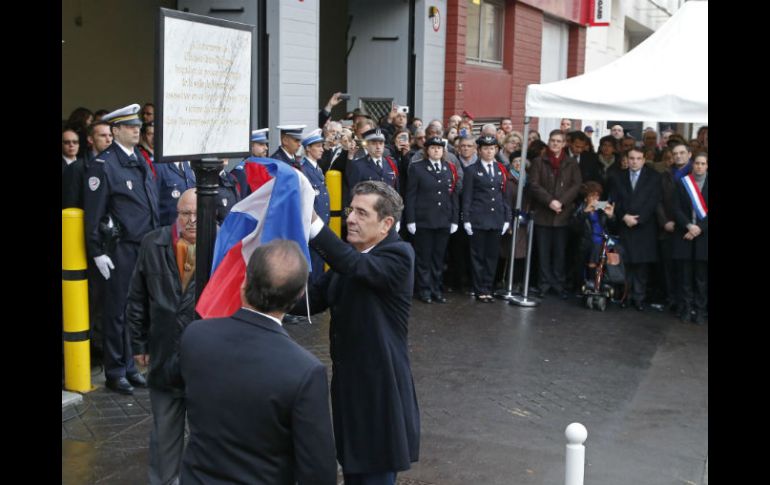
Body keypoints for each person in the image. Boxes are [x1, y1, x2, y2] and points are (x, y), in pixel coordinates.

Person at [181, 240, 337, 485]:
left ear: (244, 282)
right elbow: (318, 471)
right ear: (297, 297)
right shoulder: (305, 371)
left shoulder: (196, 336)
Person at [296, 181, 419, 485]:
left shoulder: (399, 254)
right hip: (349, 391)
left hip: (381, 392)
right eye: (351, 210)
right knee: (353, 469)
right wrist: (263, 287)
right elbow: (310, 301)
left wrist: (312, 223)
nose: (350, 218)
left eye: (362, 213)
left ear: (386, 224)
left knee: (375, 473)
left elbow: (356, 267)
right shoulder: (349, 259)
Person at [83, 103, 159, 394]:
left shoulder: (139, 159)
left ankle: (129, 365)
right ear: (115, 131)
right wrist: (98, 251)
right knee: (116, 311)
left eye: (138, 125)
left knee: (134, 310)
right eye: (130, 126)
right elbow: (94, 213)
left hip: (143, 246)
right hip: (119, 249)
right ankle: (115, 370)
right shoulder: (104, 165)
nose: (137, 130)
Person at [127, 189, 198, 485]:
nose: (192, 221)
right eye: (185, 214)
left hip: (204, 359)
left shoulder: (222, 242)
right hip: (163, 353)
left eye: (198, 214)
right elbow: (137, 298)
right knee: (164, 435)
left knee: (206, 435)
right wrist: (139, 344)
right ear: (176, 214)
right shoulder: (153, 243)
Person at [528, 129, 582, 299]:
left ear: (564, 144)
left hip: (563, 215)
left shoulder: (571, 162)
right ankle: (543, 284)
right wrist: (550, 201)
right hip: (544, 213)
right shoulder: (538, 161)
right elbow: (534, 184)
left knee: (560, 252)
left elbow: (576, 185)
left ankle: (558, 284)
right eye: (553, 140)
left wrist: (561, 202)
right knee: (543, 252)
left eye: (559, 141)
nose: (555, 144)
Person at [406, 137, 459, 304]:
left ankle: (437, 289)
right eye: (433, 147)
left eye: (439, 148)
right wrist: (411, 219)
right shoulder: (417, 168)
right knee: (424, 258)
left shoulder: (449, 168)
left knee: (439, 258)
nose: (436, 150)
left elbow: (453, 195)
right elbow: (411, 195)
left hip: (443, 219)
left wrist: (454, 219)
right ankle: (424, 290)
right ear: (426, 150)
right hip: (424, 220)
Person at [608, 147, 661, 311]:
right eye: (631, 158)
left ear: (644, 160)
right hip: (625, 224)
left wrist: (639, 220)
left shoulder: (654, 177)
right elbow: (614, 200)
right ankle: (626, 296)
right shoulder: (618, 177)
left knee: (641, 265)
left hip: (644, 226)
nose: (634, 161)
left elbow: (654, 201)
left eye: (638, 158)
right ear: (627, 159)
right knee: (627, 263)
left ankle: (639, 298)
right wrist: (624, 216)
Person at [462, 135, 512, 302]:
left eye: (492, 148)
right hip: (478, 218)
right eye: (485, 148)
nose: (489, 151)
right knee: (478, 256)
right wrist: (467, 219)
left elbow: (504, 195)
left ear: (496, 150)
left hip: (496, 217)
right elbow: (467, 196)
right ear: (479, 150)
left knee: (492, 256)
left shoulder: (501, 169)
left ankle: (487, 287)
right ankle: (479, 289)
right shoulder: (471, 170)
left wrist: (507, 218)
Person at [672, 153, 708, 324]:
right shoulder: (683, 183)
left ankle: (700, 311)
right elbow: (676, 208)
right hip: (684, 234)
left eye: (703, 163)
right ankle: (686, 308)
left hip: (704, 236)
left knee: (702, 278)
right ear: (692, 165)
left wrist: (699, 228)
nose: (699, 166)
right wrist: (689, 226)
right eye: (697, 163)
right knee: (685, 276)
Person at [299, 129, 331, 283]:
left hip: (321, 223)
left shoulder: (317, 168)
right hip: (311, 225)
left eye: (321, 146)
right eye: (318, 146)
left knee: (319, 263)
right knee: (312, 266)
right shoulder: (304, 169)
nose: (321, 149)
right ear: (308, 148)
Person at [571, 181, 616, 282]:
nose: (595, 199)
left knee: (601, 248)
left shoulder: (601, 208)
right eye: (592, 196)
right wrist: (584, 213)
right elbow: (575, 228)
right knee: (594, 248)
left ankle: (597, 283)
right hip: (587, 241)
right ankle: (589, 282)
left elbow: (614, 228)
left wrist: (611, 216)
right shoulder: (581, 209)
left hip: (603, 240)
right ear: (586, 198)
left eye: (597, 196)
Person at [155, 159, 196, 226]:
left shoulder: (187, 165)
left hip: (189, 226)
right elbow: (153, 201)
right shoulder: (159, 166)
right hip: (168, 228)